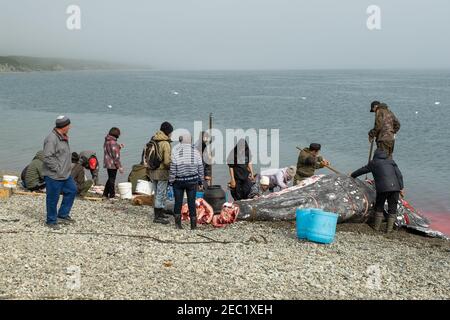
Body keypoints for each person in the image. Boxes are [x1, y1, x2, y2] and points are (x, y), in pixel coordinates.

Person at [351, 148, 404, 233]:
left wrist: (352, 175)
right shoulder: (391, 161)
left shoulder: (374, 163)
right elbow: (399, 175)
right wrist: (401, 187)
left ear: (375, 155)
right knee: (392, 208)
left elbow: (362, 170)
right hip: (395, 188)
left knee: (379, 206)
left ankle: (376, 228)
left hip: (383, 188)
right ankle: (389, 230)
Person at [42, 116, 77, 229]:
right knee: (53, 198)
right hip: (54, 175)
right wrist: (57, 168)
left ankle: (62, 214)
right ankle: (51, 221)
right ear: (63, 126)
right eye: (68, 125)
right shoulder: (51, 139)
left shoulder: (63, 136)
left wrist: (65, 169)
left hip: (65, 174)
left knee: (72, 190)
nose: (70, 127)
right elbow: (47, 157)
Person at [169, 133, 204, 230]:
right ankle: (193, 226)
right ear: (190, 141)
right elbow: (200, 168)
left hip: (178, 181)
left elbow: (173, 169)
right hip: (192, 181)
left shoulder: (175, 151)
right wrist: (201, 180)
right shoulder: (195, 152)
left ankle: (178, 225)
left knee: (178, 202)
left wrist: (171, 181)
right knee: (191, 202)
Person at [148, 121, 173, 224]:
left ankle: (159, 212)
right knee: (161, 193)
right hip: (162, 172)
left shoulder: (153, 140)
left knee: (156, 192)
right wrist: (174, 167)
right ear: (167, 132)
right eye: (171, 132)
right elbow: (167, 161)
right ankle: (157, 216)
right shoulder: (165, 143)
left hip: (152, 171)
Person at [103, 127, 124, 199]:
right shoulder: (113, 143)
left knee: (110, 179)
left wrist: (119, 147)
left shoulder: (107, 141)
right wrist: (120, 167)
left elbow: (110, 150)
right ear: (116, 134)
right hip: (112, 164)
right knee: (112, 180)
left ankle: (105, 194)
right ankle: (112, 195)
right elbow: (116, 156)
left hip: (107, 162)